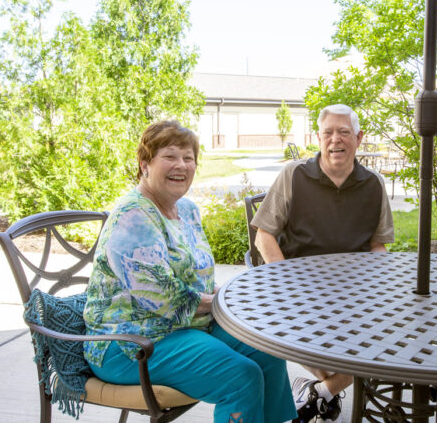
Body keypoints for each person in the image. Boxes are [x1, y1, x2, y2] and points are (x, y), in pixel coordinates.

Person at [83, 119, 297, 423]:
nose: (181, 165)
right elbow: (164, 299)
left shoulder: (187, 210)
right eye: (169, 156)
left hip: (184, 327)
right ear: (145, 164)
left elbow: (200, 280)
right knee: (241, 375)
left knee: (268, 351)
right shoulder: (133, 216)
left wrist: (232, 296)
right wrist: (227, 302)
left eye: (188, 158)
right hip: (130, 343)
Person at [251, 104, 394, 422]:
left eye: (344, 132)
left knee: (378, 344)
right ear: (318, 137)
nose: (335, 140)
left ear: (359, 137)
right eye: (328, 132)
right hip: (300, 288)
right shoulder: (294, 174)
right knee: (352, 354)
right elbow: (264, 237)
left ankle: (318, 392)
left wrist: (383, 286)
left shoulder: (374, 184)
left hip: (355, 291)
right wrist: (285, 280)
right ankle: (326, 391)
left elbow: (377, 245)